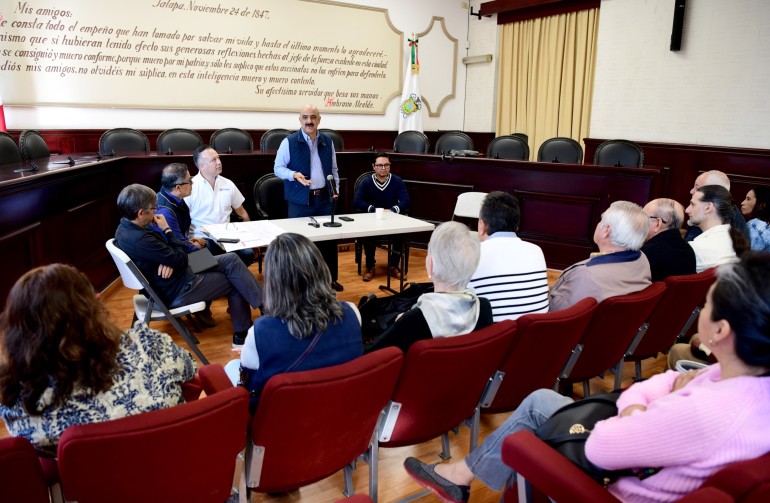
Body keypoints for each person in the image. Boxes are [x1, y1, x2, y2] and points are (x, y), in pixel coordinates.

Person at [404, 252, 770, 503]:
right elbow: (663, 382)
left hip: (613, 485)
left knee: (529, 432)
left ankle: (462, 477)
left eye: (707, 304)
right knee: (540, 400)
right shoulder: (746, 377)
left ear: (720, 330)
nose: (701, 309)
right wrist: (652, 400)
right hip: (641, 450)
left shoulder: (703, 413)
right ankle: (461, 475)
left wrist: (635, 410)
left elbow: (602, 447)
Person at [0, 264, 196, 455]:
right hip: (174, 461)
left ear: (15, 328)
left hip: (90, 475)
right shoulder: (151, 346)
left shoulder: (17, 400)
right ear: (96, 304)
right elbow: (190, 372)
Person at [114, 184, 264, 347]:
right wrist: (167, 230)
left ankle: (265, 307)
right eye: (153, 208)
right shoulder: (141, 240)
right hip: (176, 288)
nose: (156, 211)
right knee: (235, 280)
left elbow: (171, 253)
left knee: (231, 259)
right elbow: (180, 257)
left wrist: (167, 259)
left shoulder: (125, 227)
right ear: (140, 213)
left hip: (175, 273)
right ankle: (242, 335)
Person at [224, 233, 363, 410]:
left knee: (232, 366)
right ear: (320, 268)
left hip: (283, 417)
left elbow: (249, 384)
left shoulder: (259, 332)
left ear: (274, 281)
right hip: (340, 408)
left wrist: (254, 347)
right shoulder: (352, 311)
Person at [366, 221, 493, 354]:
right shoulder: (484, 308)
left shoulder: (413, 320)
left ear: (430, 265)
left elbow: (369, 358)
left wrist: (399, 325)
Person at [274, 104, 344, 292]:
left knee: (329, 241)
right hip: (300, 201)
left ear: (319, 120)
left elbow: (334, 169)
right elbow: (278, 168)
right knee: (299, 243)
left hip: (324, 199)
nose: (309, 121)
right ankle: (300, 284)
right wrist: (293, 174)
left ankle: (330, 280)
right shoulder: (288, 142)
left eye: (313, 117)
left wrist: (335, 190)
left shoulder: (327, 141)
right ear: (300, 120)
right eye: (305, 117)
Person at [549, 201, 651, 312]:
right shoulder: (642, 259)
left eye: (601, 220)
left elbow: (556, 312)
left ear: (606, 230)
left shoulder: (584, 275)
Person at [151, 162, 217, 327]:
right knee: (216, 262)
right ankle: (201, 303)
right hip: (175, 263)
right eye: (190, 180)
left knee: (217, 255)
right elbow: (178, 244)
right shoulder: (166, 211)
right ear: (178, 187)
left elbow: (179, 237)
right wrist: (197, 246)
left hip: (178, 252)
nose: (193, 183)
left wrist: (191, 242)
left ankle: (204, 303)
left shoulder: (172, 198)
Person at [467, 191, 548, 321]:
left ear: (482, 226)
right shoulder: (536, 251)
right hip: (533, 331)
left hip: (493, 332)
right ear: (517, 226)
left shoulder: (472, 254)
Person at [185, 145, 255, 266]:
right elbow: (182, 220)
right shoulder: (190, 187)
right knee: (207, 253)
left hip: (227, 237)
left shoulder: (228, 184)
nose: (219, 162)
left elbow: (241, 212)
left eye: (218, 158)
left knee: (248, 253)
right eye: (213, 160)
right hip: (202, 239)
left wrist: (250, 238)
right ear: (201, 166)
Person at [353, 152, 411, 282]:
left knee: (400, 233)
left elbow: (406, 201)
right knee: (368, 234)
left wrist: (392, 210)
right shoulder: (366, 182)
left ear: (390, 166)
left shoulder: (397, 181)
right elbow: (356, 201)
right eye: (380, 165)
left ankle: (394, 266)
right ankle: (370, 267)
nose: (383, 168)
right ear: (374, 166)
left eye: (386, 165)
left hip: (392, 220)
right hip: (372, 220)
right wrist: (375, 210)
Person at [686, 185, 747, 272]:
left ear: (708, 207)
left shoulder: (697, 248)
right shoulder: (733, 239)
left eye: (693, 204)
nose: (687, 210)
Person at [684, 170, 749, 242]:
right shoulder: (727, 210)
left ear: (715, 191)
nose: (691, 191)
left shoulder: (713, 218)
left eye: (697, 188)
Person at [640, 198, 696, 281]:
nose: (639, 222)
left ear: (658, 223)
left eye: (643, 217)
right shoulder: (688, 250)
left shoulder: (645, 254)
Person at [740, 185, 770, 252]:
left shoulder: (753, 225)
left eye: (748, 199)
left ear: (762, 205)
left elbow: (747, 255)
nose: (742, 203)